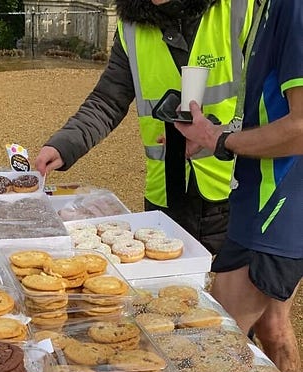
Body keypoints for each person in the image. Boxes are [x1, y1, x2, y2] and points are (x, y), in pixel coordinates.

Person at [36, 0, 256, 255]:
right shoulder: (130, 26)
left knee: (231, 292)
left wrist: (218, 134)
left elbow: (272, 99)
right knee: (170, 287)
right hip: (165, 193)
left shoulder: (239, 7)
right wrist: (64, 145)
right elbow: (108, 100)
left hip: (235, 189)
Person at [175, 0, 303, 372]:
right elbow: (274, 111)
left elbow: (300, 127)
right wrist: (219, 136)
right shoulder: (271, 6)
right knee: (275, 329)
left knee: (208, 357)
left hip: (275, 206)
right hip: (272, 203)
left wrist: (222, 139)